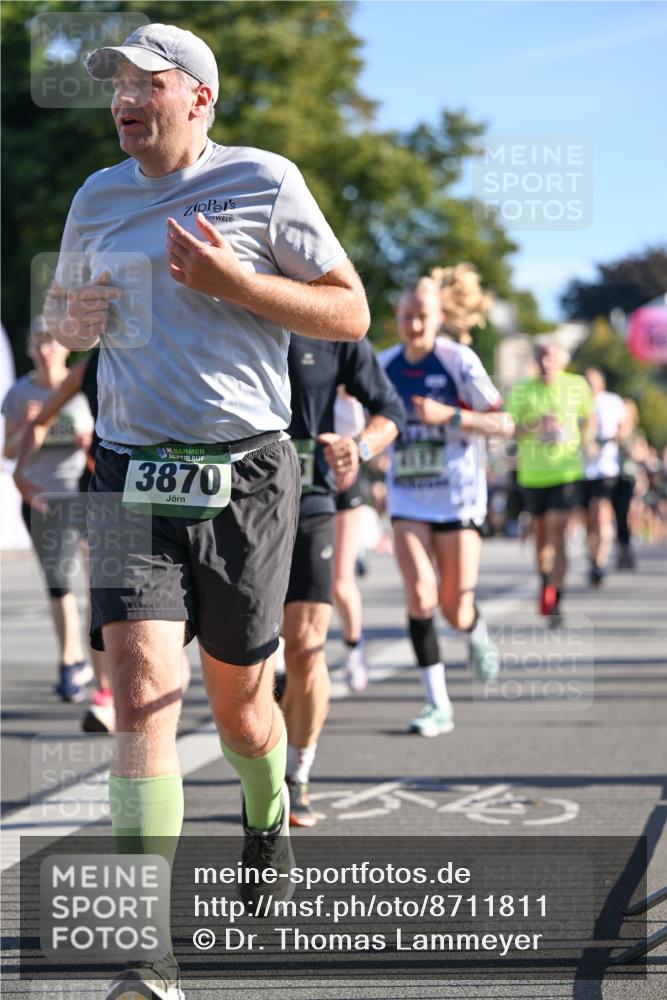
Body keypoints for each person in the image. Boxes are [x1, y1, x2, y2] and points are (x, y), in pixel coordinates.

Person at [47, 23, 369, 999]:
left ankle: (266, 809)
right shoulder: (96, 196)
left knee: (240, 707)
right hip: (127, 469)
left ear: (200, 98)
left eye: (145, 82)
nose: (123, 99)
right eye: (114, 86)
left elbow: (350, 311)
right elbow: (61, 320)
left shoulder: (264, 182)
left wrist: (239, 284)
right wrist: (77, 321)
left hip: (250, 474)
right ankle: (150, 948)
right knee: (143, 692)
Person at [379, 274, 514, 737]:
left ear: (439, 319)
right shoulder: (383, 366)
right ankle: (437, 703)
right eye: (407, 317)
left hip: (458, 497)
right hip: (407, 497)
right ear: (396, 319)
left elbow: (505, 423)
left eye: (423, 317)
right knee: (420, 595)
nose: (414, 325)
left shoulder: (459, 360)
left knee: (456, 608)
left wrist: (451, 416)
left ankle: (474, 632)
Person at [282, 337, 403, 826]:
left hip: (311, 499)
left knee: (307, 651)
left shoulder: (331, 322)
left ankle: (297, 772)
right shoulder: (225, 302)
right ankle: (262, 766)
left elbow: (389, 407)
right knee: (251, 663)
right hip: (235, 505)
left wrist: (360, 445)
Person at [2, 318, 95, 702]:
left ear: (66, 348)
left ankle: (99, 661)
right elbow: (7, 452)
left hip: (88, 494)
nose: (44, 351)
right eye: (37, 343)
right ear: (28, 349)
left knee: (98, 584)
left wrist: (87, 441)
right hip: (42, 497)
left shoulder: (83, 387)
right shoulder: (20, 393)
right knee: (59, 586)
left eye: (51, 343)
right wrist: (27, 428)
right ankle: (70, 662)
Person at [505, 339, 594, 625]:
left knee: (558, 533)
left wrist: (586, 441)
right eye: (541, 357)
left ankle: (558, 597)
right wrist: (534, 425)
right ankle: (546, 583)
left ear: (562, 360)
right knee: (541, 538)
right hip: (532, 474)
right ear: (534, 360)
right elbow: (510, 429)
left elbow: (588, 418)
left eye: (551, 357)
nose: (546, 363)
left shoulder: (577, 385)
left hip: (565, 472)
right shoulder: (521, 390)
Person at [333, 388, 371, 692]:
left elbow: (364, 430)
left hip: (343, 483)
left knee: (340, 582)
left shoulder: (346, 380)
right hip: (301, 479)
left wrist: (356, 449)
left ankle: (354, 649)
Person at [583, 368, 625, 585]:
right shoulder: (578, 402)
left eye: (593, 381)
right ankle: (593, 559)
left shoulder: (612, 401)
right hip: (582, 469)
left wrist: (612, 438)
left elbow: (624, 427)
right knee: (588, 520)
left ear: (602, 383)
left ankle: (600, 560)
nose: (589, 385)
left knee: (601, 512)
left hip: (606, 467)